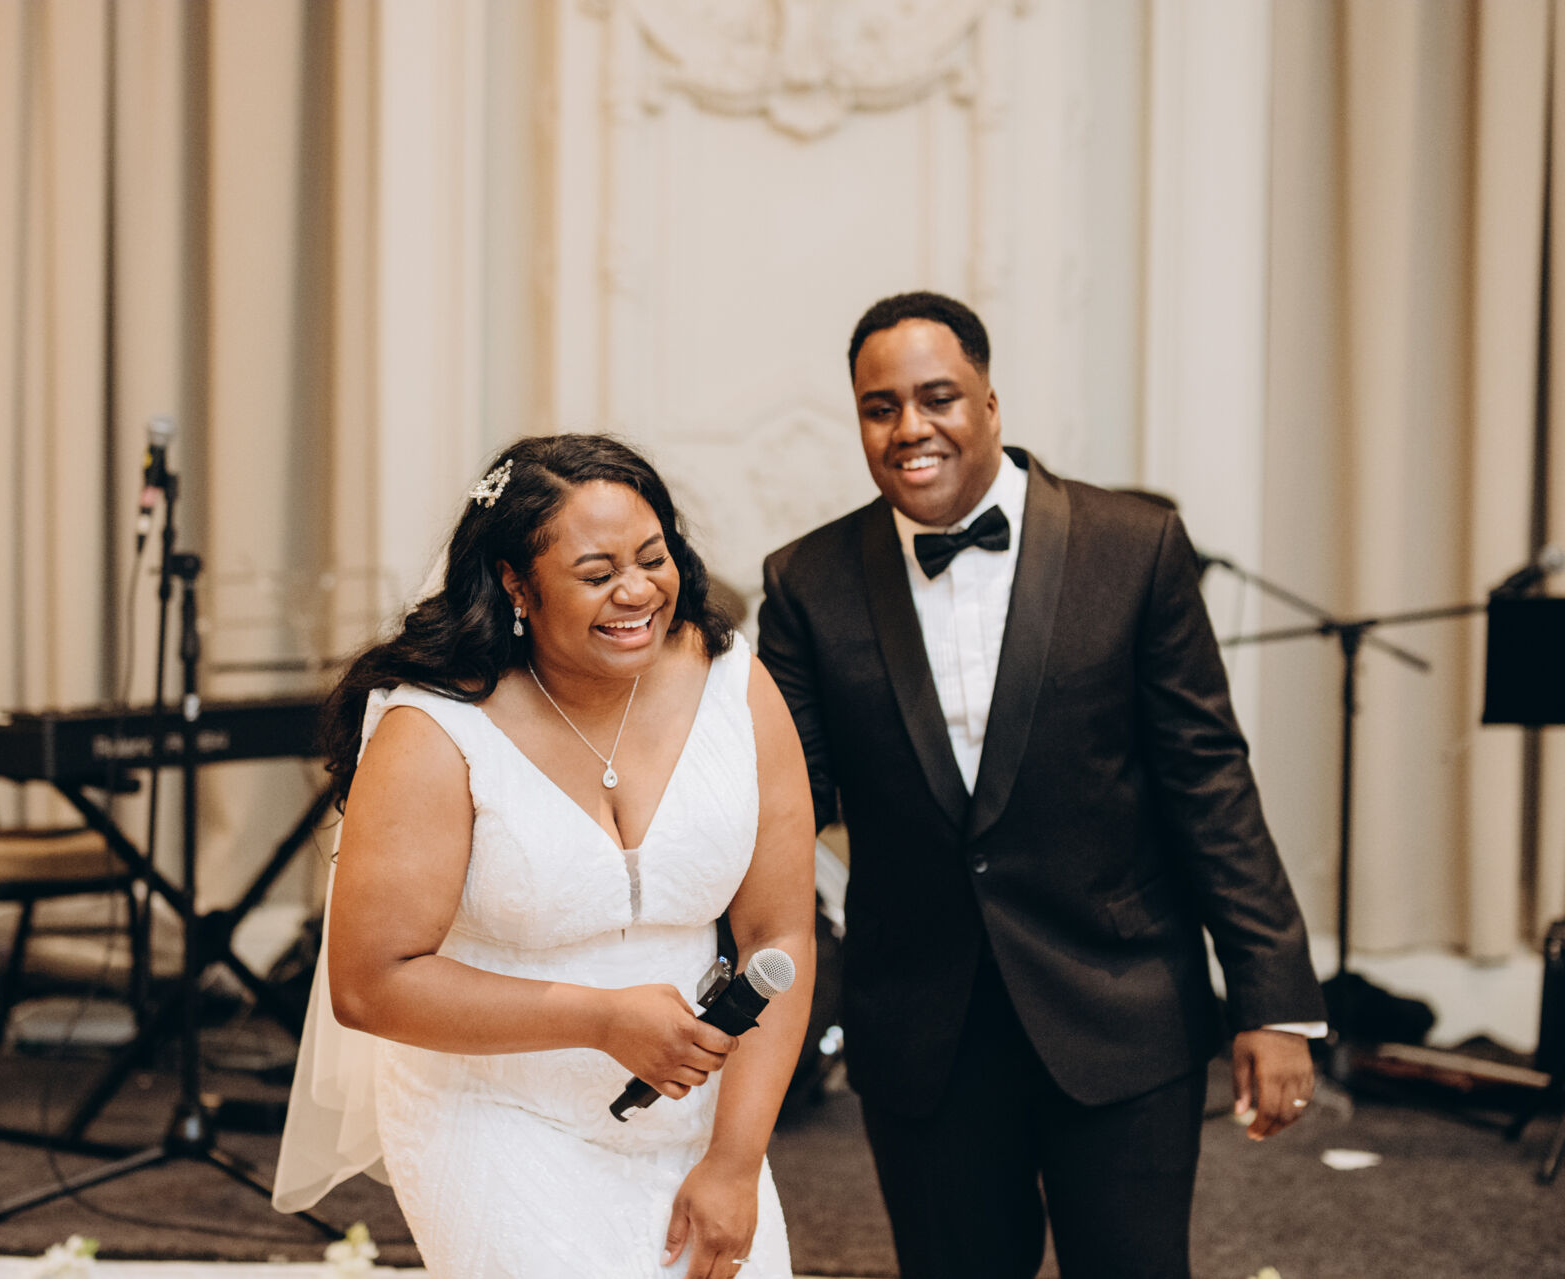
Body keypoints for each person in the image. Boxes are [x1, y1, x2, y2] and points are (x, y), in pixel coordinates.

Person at [755, 291, 1327, 1278]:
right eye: (880, 408)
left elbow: (1208, 780)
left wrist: (1271, 998)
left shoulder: (1134, 546)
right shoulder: (806, 581)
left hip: (1120, 1002)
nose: (909, 427)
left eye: (938, 397)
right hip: (924, 1028)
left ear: (989, 402)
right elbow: (784, 799)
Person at [275, 434, 816, 1279]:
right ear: (516, 584)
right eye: (597, 573)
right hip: (493, 1115)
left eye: (653, 558)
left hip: (698, 1125)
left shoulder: (732, 682)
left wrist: (735, 1162)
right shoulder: (436, 726)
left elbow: (780, 936)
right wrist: (600, 1019)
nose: (637, 591)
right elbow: (369, 982)